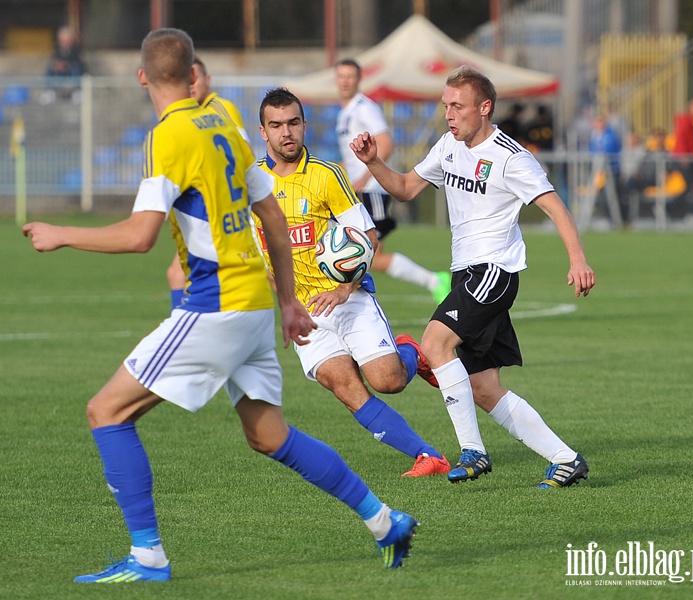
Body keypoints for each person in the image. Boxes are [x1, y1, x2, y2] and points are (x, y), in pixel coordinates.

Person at [22, 28, 419, 583]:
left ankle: (148, 558)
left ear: (142, 79)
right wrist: (286, 302)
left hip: (215, 304)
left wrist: (59, 233)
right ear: (192, 76)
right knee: (268, 435)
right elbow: (273, 218)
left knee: (106, 412)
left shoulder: (168, 136)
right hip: (256, 304)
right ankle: (384, 520)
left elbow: (141, 236)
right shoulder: (226, 125)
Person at [350, 65, 595, 488]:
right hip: (467, 273)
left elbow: (555, 206)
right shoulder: (448, 145)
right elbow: (406, 188)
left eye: (457, 106)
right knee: (483, 388)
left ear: (484, 108)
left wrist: (578, 260)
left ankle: (473, 452)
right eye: (446, 105)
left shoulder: (510, 157)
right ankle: (566, 459)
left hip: (494, 271)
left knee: (434, 342)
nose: (449, 114)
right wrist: (373, 162)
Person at [255, 87, 450, 478]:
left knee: (388, 381)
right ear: (263, 132)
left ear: (305, 125)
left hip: (348, 298)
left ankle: (410, 350)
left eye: (293, 123)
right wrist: (286, 308)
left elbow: (368, 237)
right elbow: (260, 257)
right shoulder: (251, 185)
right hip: (306, 313)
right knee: (345, 387)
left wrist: (344, 287)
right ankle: (429, 456)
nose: (286, 132)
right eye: (276, 125)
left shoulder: (328, 176)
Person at [335, 58, 450, 303]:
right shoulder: (344, 113)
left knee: (364, 252)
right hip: (359, 191)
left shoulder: (364, 107)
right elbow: (350, 158)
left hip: (372, 190)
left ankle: (434, 280)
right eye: (341, 76)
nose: (345, 81)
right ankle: (434, 281)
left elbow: (385, 144)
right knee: (364, 254)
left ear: (358, 80)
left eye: (349, 76)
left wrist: (364, 179)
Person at [166, 56, 251, 309]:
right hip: (211, 213)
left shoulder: (219, 107)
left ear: (208, 80)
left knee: (256, 272)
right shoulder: (197, 114)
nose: (191, 85)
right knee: (178, 273)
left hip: (230, 212)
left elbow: (244, 153)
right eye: (185, 79)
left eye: (195, 78)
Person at [671, 99, 693, 219]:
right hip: (684, 159)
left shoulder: (691, 122)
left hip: (688, 158)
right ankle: (673, 208)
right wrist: (683, 156)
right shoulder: (686, 121)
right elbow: (681, 139)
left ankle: (680, 210)